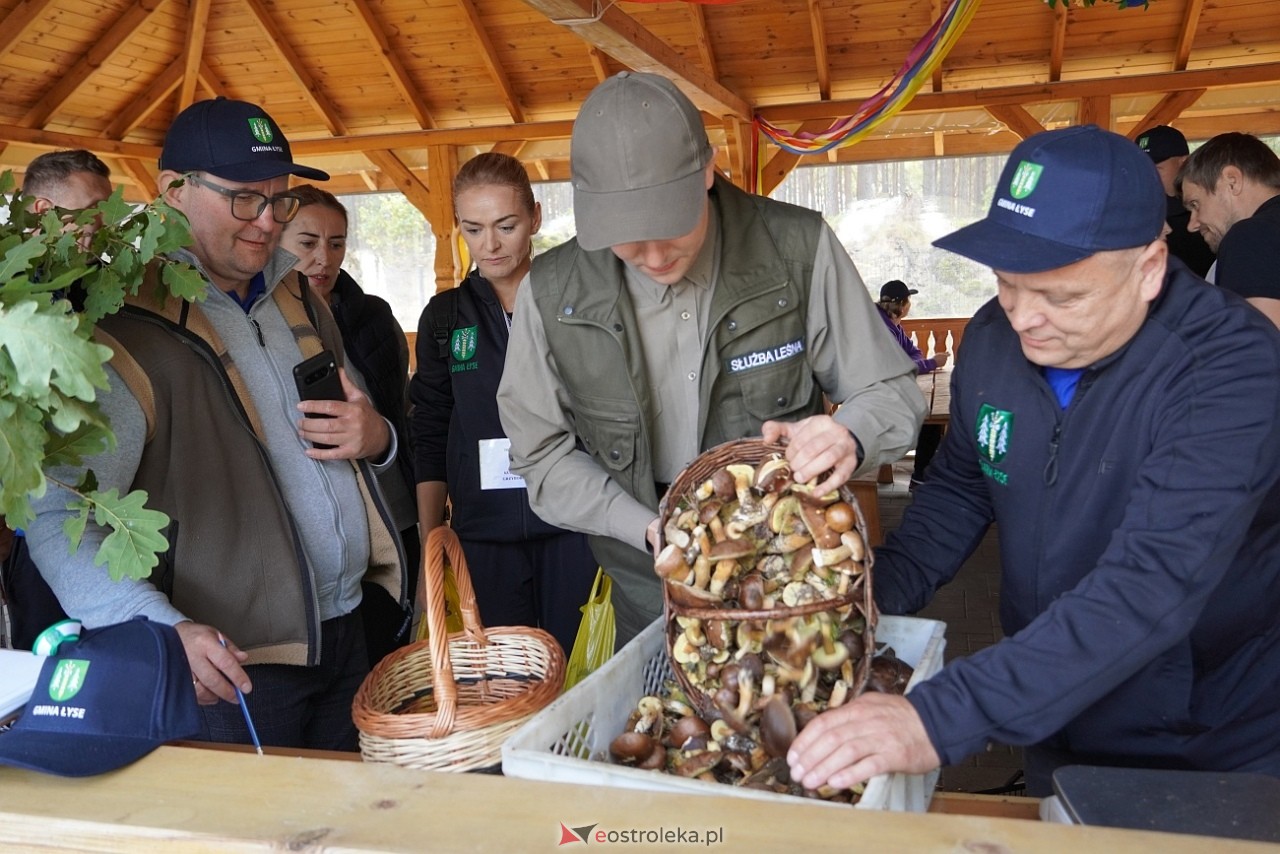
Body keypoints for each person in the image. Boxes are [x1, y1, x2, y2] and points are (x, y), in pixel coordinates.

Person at [787, 124, 1280, 797]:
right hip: (1055, 710)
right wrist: (872, 594)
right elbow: (963, 482)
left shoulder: (1230, 367)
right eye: (1008, 282)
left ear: (1150, 268)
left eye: (1063, 296)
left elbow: (1151, 583)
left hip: (1208, 731)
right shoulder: (993, 341)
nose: (1023, 317)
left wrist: (938, 717)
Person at [23, 97, 408, 751]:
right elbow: (59, 516)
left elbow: (365, 423)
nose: (267, 223)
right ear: (172, 190)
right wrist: (159, 627)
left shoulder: (294, 292)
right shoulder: (118, 326)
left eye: (280, 200)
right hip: (233, 667)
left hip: (345, 627)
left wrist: (379, 440)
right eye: (243, 200)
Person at [496, 72, 925, 645]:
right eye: (626, 238)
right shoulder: (550, 292)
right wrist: (648, 529)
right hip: (647, 589)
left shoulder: (796, 248)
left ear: (706, 170)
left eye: (670, 229)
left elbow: (892, 394)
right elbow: (541, 454)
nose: (651, 256)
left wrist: (848, 434)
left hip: (787, 581)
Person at [409, 153, 597, 654]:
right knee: (502, 681)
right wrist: (433, 541)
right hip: (482, 536)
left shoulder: (577, 301)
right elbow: (430, 428)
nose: (489, 245)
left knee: (577, 672)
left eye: (506, 225)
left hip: (573, 527)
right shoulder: (446, 317)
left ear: (535, 217)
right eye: (472, 228)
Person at [279, 185, 418, 667]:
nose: (324, 257)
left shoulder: (372, 316)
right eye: (308, 242)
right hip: (315, 534)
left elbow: (402, 414)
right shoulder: (261, 327)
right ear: (275, 237)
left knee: (393, 663)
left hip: (392, 515)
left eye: (336, 243)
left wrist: (382, 439)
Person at [2, 150, 116, 650]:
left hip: (87, 514)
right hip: (24, 534)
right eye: (91, 213)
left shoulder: (102, 292)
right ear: (44, 210)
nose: (103, 228)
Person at [1177, 131, 1280, 328]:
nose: (1193, 224)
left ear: (1232, 181)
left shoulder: (1251, 236)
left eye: (1196, 204)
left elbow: (1259, 352)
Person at [875, 279, 948, 488]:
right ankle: (921, 478)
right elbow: (898, 366)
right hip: (879, 402)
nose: (910, 305)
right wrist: (932, 362)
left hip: (891, 391)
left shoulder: (894, 325)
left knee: (932, 418)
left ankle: (924, 474)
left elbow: (913, 352)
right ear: (902, 305)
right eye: (909, 300)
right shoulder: (881, 329)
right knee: (930, 421)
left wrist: (916, 363)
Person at [1135, 125, 1215, 277]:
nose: (1148, 176)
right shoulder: (1135, 210)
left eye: (1157, 169)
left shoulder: (1209, 206)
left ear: (1183, 162)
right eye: (1142, 169)